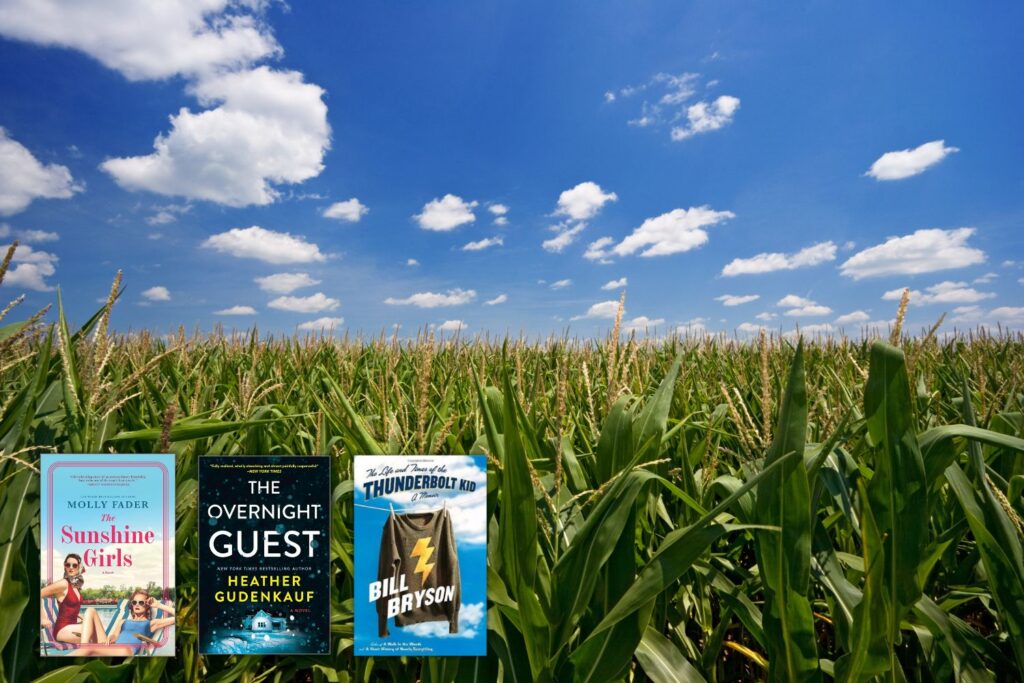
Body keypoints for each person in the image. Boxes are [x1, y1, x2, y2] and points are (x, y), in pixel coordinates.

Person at [39, 553, 105, 647]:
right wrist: (43, 618)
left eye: (74, 565)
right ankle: (86, 650)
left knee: (98, 630)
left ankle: (102, 651)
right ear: (64, 566)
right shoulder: (63, 583)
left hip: (73, 627)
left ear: (79, 567)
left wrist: (78, 615)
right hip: (62, 630)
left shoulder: (75, 586)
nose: (71, 567)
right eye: (67, 565)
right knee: (96, 633)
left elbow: (68, 606)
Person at [103, 589, 176, 655]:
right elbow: (115, 636)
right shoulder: (122, 621)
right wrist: (110, 637)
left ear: (147, 605)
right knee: (91, 612)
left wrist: (159, 605)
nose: (137, 604)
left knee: (92, 650)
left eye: (141, 602)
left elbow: (177, 617)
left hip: (126, 650)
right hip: (113, 647)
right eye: (134, 602)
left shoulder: (151, 623)